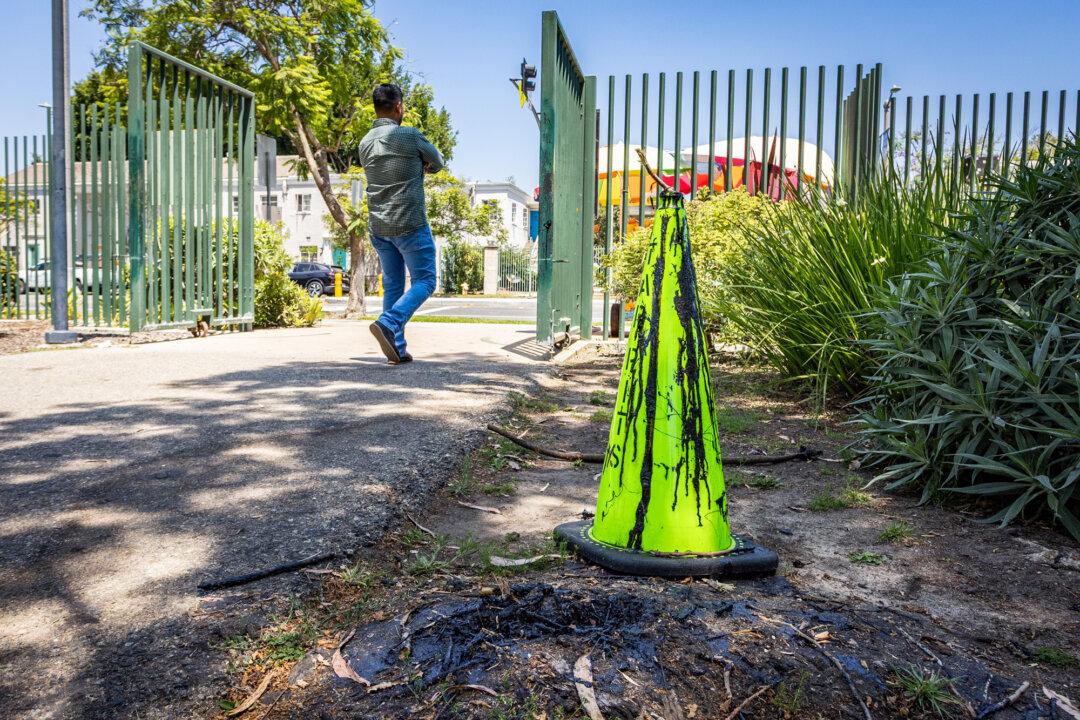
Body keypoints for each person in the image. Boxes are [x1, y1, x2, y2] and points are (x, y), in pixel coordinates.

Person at [358, 83, 444, 364]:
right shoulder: (409, 135)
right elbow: (438, 161)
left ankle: (396, 348)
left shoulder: (365, 143)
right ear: (398, 107)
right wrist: (423, 166)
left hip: (379, 226)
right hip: (409, 222)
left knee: (393, 285)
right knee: (426, 280)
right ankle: (389, 322)